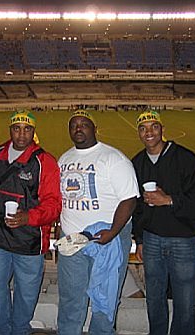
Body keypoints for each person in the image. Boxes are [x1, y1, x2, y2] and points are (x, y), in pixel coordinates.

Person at [57, 110, 139, 334]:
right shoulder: (64, 159)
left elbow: (129, 199)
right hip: (72, 240)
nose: (78, 128)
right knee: (70, 299)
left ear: (95, 128)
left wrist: (113, 232)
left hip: (107, 239)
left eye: (84, 124)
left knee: (105, 299)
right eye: (74, 125)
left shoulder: (113, 158)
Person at [132, 110, 195, 335]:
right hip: (152, 240)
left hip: (183, 241)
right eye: (143, 128)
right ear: (138, 133)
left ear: (162, 129)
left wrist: (169, 200)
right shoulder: (137, 162)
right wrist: (140, 239)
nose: (149, 132)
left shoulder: (186, 159)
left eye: (153, 126)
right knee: (154, 300)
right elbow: (135, 206)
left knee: (185, 303)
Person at [0, 110, 61, 335]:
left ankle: (19, 330)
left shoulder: (44, 161)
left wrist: (28, 217)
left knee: (26, 293)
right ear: (10, 130)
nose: (21, 134)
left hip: (29, 242)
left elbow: (54, 204)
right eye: (17, 128)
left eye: (27, 129)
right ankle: (1, 330)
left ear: (33, 132)